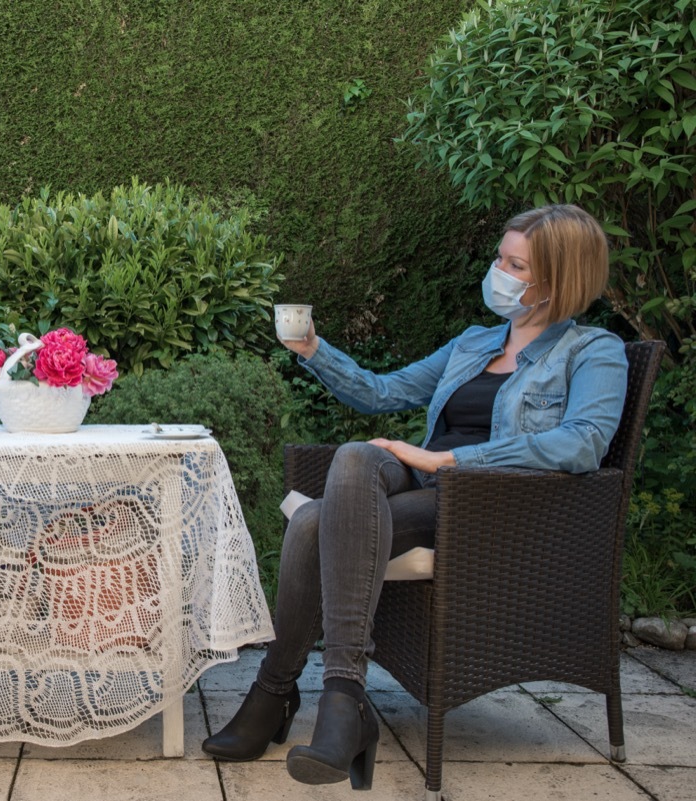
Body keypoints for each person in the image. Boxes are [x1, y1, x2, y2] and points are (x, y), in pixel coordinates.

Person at [202, 204, 628, 790]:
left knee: (309, 525)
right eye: (500, 257)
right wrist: (313, 350)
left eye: (514, 263)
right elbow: (383, 392)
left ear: (556, 279)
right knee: (356, 454)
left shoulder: (592, 351)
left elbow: (583, 445)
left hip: (489, 503)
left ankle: (277, 694)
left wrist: (446, 458)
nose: (497, 270)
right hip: (425, 486)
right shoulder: (475, 343)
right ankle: (343, 698)